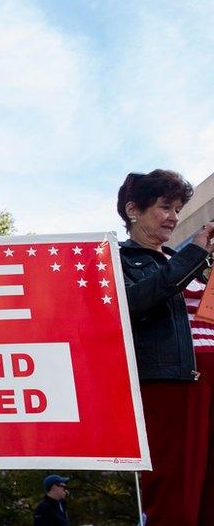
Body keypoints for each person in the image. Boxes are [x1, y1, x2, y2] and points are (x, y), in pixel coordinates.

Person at [116, 169, 214, 525]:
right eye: (164, 207)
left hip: (211, 375)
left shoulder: (189, 260)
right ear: (133, 210)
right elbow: (132, 304)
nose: (174, 217)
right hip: (173, 383)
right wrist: (192, 257)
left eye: (177, 208)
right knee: (175, 494)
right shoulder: (118, 259)